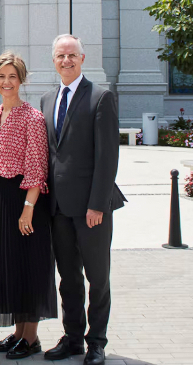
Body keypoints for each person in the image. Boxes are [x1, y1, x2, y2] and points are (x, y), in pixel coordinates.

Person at [40, 34, 125, 365]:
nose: (66, 60)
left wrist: (97, 204)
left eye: (72, 55)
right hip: (58, 207)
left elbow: (107, 158)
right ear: (54, 60)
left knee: (98, 278)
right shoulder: (47, 100)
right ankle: (73, 337)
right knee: (69, 277)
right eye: (61, 55)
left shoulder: (101, 98)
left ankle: (97, 342)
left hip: (92, 208)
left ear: (82, 58)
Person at [0, 51, 56, 360]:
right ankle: (18, 333)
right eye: (2, 77)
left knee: (27, 266)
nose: (7, 82)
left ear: (21, 80)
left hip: (23, 199)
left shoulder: (33, 117)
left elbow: (36, 167)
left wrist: (28, 207)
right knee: (7, 266)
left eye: (13, 77)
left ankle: (31, 338)